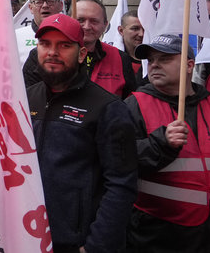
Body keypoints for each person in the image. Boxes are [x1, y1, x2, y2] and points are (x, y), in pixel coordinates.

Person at [27, 13, 138, 253]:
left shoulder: (108, 108)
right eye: (45, 44)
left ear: (81, 54)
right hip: (26, 237)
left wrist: (95, 246)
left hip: (75, 243)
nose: (52, 52)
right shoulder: (24, 99)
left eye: (64, 45)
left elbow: (121, 185)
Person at [125, 34, 210, 252]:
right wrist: (160, 144)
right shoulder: (133, 105)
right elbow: (117, 161)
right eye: (151, 60)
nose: (155, 64)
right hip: (160, 237)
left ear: (189, 65)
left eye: (165, 58)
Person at [24, 0, 138, 98]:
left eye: (94, 21)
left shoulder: (120, 58)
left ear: (105, 25)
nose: (87, 27)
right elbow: (30, 99)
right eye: (80, 20)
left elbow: (129, 102)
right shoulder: (41, 57)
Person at [14, 0, 63, 65]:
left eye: (50, 1)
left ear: (61, 5)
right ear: (30, 8)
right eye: (38, 2)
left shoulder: (72, 36)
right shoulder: (15, 38)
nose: (45, 5)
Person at [117, 10, 146, 84]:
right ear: (121, 30)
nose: (141, 34)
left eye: (145, 29)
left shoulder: (155, 61)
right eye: (135, 29)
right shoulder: (114, 60)